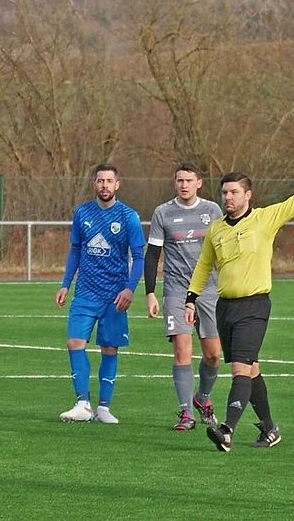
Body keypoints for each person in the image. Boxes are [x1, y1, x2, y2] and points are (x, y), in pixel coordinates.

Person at [185, 156, 294, 452]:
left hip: (254, 306)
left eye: (234, 192)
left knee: (240, 368)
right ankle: (270, 428)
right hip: (225, 308)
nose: (228, 197)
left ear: (248, 195)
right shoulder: (215, 229)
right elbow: (203, 265)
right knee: (251, 371)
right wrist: (191, 298)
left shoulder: (265, 218)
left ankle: (227, 430)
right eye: (224, 192)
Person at [56, 163, 145, 424]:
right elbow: (75, 250)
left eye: (109, 181)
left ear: (117, 184)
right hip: (85, 292)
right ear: (94, 184)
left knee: (109, 348)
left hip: (114, 295)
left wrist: (129, 289)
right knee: (74, 342)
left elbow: (138, 257)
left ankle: (104, 407)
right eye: (100, 181)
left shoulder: (129, 216)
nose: (104, 185)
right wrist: (65, 283)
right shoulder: (82, 212)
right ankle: (82, 404)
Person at [144, 162, 223, 431]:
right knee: (182, 348)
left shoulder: (212, 210)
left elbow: (222, 249)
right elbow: (153, 254)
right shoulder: (163, 213)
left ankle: (202, 398)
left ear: (199, 182)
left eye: (189, 180)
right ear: (175, 182)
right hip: (176, 290)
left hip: (209, 290)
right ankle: (186, 412)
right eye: (180, 180)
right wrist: (150, 292)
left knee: (213, 355)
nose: (184, 185)